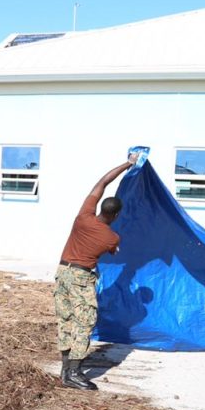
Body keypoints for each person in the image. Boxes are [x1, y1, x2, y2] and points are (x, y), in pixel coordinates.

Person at [54, 157, 136, 390]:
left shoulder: (83, 216)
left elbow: (102, 183)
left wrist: (127, 164)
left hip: (62, 272)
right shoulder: (111, 238)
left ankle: (65, 368)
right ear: (116, 216)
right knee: (85, 322)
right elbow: (114, 251)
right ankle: (74, 373)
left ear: (101, 208)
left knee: (66, 319)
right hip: (80, 278)